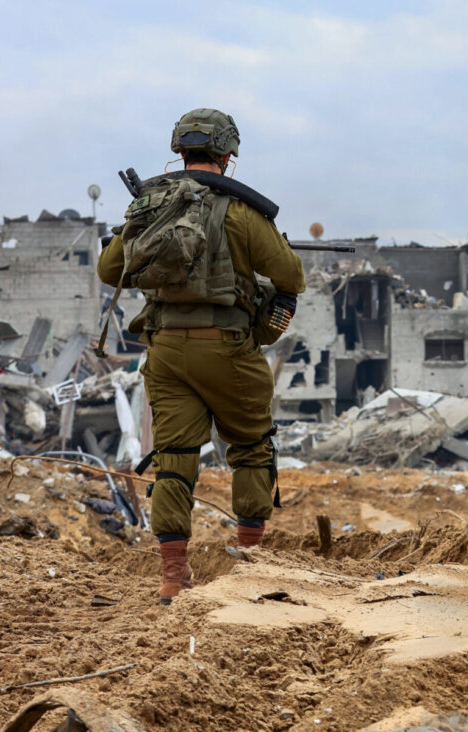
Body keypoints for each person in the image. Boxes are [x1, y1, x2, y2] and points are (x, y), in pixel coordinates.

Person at [98, 108, 306, 605]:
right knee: (253, 447)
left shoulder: (151, 207)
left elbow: (110, 271)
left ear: (180, 151)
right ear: (227, 155)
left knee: (174, 459)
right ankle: (250, 565)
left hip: (166, 350)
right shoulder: (241, 212)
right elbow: (291, 278)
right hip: (229, 348)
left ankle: (174, 575)